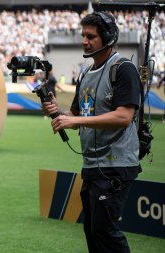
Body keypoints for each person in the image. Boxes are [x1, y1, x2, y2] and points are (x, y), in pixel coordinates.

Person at [41, 12, 141, 253]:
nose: (84, 41)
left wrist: (75, 120)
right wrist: (59, 112)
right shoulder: (85, 73)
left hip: (116, 165)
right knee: (93, 231)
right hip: (92, 165)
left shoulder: (123, 69)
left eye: (91, 36)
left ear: (107, 38)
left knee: (105, 232)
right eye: (83, 35)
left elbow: (123, 116)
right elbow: (78, 115)